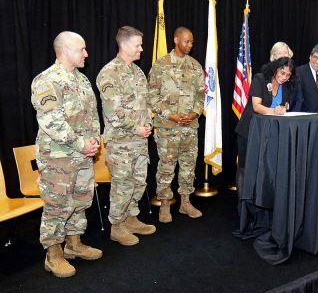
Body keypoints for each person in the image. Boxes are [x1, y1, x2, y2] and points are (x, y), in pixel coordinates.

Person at [31, 31, 102, 278]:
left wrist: (93, 143)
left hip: (82, 154)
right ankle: (53, 255)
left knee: (81, 200)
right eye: (82, 49)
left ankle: (74, 244)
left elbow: (92, 116)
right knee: (57, 205)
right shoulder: (46, 81)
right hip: (58, 158)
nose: (86, 53)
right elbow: (52, 122)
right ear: (65, 50)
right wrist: (81, 144)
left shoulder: (81, 80)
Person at [96, 26, 156, 246]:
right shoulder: (109, 73)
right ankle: (117, 226)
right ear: (124, 44)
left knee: (139, 182)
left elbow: (146, 102)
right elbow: (113, 112)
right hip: (121, 142)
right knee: (122, 186)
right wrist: (135, 128)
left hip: (140, 141)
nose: (141, 49)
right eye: (138, 45)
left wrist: (148, 123)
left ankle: (131, 218)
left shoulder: (137, 71)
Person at [148, 26, 204, 223]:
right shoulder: (161, 65)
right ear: (176, 40)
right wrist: (171, 115)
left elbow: (200, 95)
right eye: (186, 41)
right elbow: (152, 96)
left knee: (188, 165)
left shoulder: (196, 66)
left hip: (190, 127)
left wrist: (195, 112)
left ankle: (185, 202)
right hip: (167, 128)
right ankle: (165, 204)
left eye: (191, 42)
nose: (190, 45)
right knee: (166, 167)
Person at [235, 57, 295, 203]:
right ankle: (242, 204)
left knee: (262, 169)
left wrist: (283, 108)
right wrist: (274, 110)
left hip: (268, 134)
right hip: (249, 131)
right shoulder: (260, 79)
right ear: (275, 70)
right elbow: (257, 106)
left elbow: (285, 104)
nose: (284, 77)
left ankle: (259, 201)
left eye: (288, 75)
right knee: (244, 167)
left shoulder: (286, 86)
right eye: (282, 73)